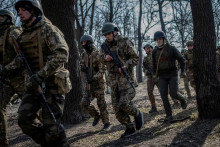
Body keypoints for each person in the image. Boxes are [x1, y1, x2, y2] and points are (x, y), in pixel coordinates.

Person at [2, 0, 72, 146]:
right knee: (24, 120)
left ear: (33, 11)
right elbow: (22, 59)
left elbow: (61, 54)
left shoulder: (48, 29)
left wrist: (41, 74)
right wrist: (5, 70)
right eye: (18, 10)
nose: (19, 13)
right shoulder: (24, 35)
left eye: (22, 9)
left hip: (52, 83)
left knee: (51, 127)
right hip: (34, 84)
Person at [101, 22, 144, 138]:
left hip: (126, 80)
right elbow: (100, 60)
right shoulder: (104, 46)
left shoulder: (125, 42)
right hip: (114, 83)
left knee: (124, 103)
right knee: (117, 110)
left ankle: (137, 113)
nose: (107, 37)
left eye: (109, 34)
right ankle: (130, 128)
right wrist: (105, 59)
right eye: (105, 35)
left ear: (115, 32)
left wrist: (126, 65)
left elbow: (136, 58)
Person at [0, 9, 24, 146]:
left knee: (33, 110)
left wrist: (7, 69)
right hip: (7, 79)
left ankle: (50, 135)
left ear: (7, 18)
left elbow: (23, 56)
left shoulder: (14, 32)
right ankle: (3, 141)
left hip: (21, 77)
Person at [152, 31, 187, 122]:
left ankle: (183, 99)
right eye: (157, 39)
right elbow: (154, 64)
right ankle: (169, 115)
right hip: (162, 76)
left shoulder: (171, 48)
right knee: (163, 95)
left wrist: (183, 71)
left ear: (163, 39)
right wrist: (154, 75)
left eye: (160, 39)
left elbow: (182, 60)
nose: (158, 40)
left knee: (173, 93)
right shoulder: (154, 51)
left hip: (172, 74)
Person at [80, 34, 112, 131]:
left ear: (89, 42)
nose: (83, 44)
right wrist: (82, 68)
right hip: (88, 85)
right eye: (82, 43)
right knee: (84, 103)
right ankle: (96, 115)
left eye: (84, 42)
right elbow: (81, 65)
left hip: (98, 83)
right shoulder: (83, 54)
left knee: (101, 104)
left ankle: (107, 123)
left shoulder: (97, 53)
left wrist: (94, 78)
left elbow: (102, 69)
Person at [142, 44, 158, 113]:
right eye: (145, 49)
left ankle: (174, 102)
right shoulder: (145, 58)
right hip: (150, 77)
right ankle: (153, 107)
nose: (146, 50)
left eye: (147, 48)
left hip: (158, 76)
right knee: (149, 92)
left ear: (151, 48)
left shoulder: (156, 55)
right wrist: (147, 71)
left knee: (164, 91)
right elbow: (143, 69)